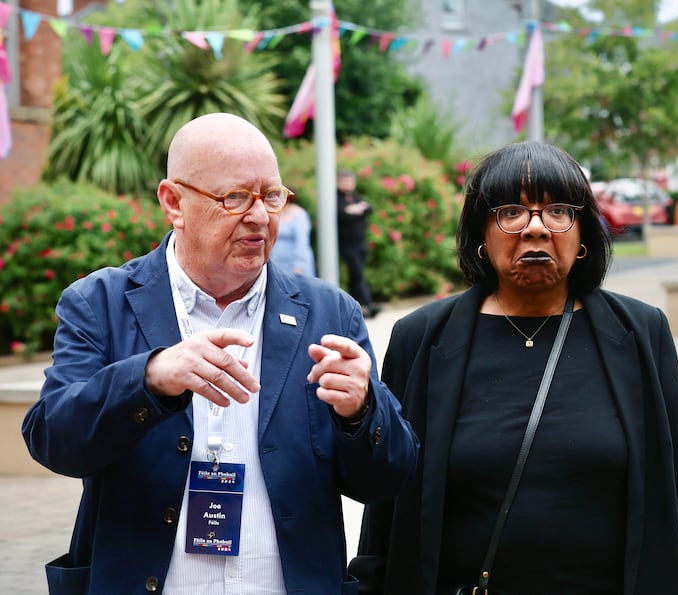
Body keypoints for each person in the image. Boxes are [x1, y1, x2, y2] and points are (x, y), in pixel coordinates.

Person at [22, 113, 419, 595]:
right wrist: (149, 379)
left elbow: (386, 480)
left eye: (271, 196)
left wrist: (361, 412)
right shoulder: (100, 302)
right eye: (234, 198)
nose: (259, 216)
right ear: (174, 202)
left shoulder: (329, 312)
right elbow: (54, 440)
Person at [349, 141, 678, 594]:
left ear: (583, 234)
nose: (536, 228)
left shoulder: (640, 332)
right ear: (481, 235)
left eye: (558, 211)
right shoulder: (422, 339)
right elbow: (388, 508)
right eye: (511, 212)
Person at [337, 169, 381, 318]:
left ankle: (353, 308)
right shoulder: (337, 198)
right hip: (347, 244)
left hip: (360, 242)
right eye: (345, 181)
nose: (348, 184)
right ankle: (369, 305)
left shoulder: (355, 197)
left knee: (356, 277)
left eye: (350, 181)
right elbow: (341, 214)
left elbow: (369, 208)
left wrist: (355, 210)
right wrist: (353, 211)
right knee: (357, 273)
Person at [270, 193, 317, 275]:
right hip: (277, 262)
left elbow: (302, 241)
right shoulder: (276, 213)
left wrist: (299, 265)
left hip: (293, 263)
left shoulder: (298, 214)